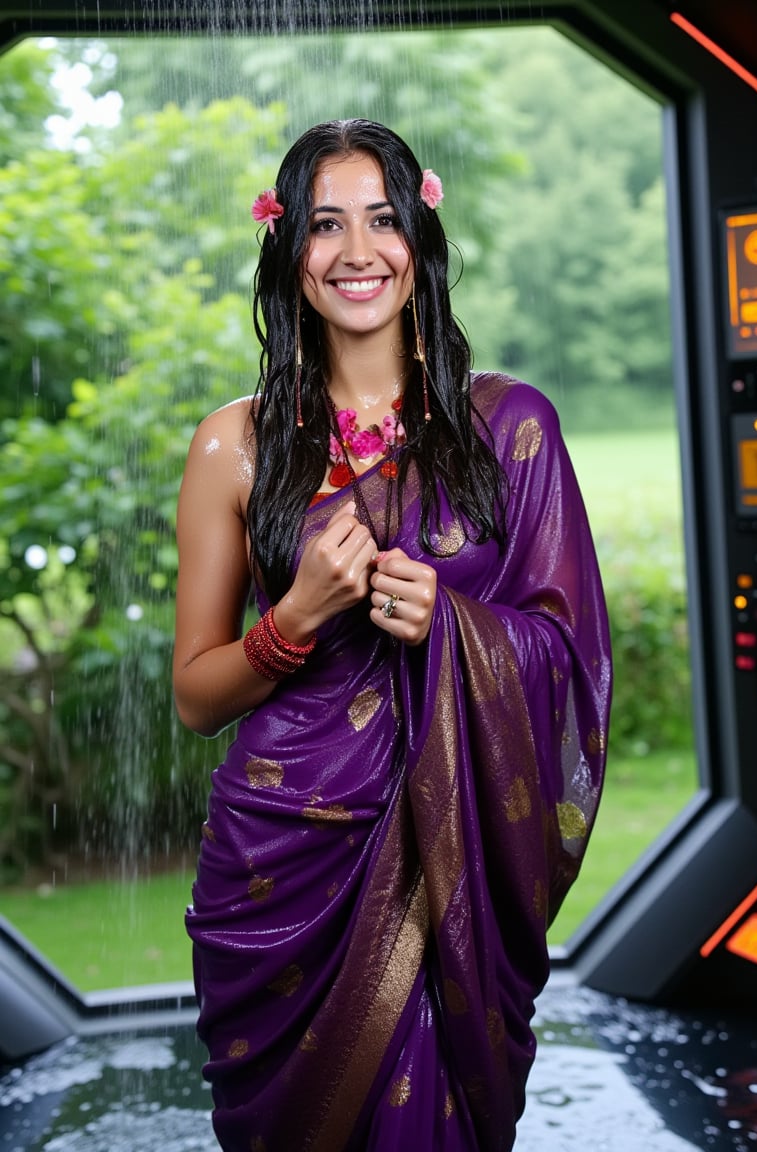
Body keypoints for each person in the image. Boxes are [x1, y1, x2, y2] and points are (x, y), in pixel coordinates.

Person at [174, 118, 611, 1152]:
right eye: (326, 224)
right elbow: (196, 695)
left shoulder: (511, 430)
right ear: (290, 250)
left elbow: (575, 658)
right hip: (281, 865)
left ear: (422, 236)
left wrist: (452, 623)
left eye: (383, 218)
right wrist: (294, 620)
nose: (357, 251)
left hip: (445, 855)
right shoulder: (232, 444)